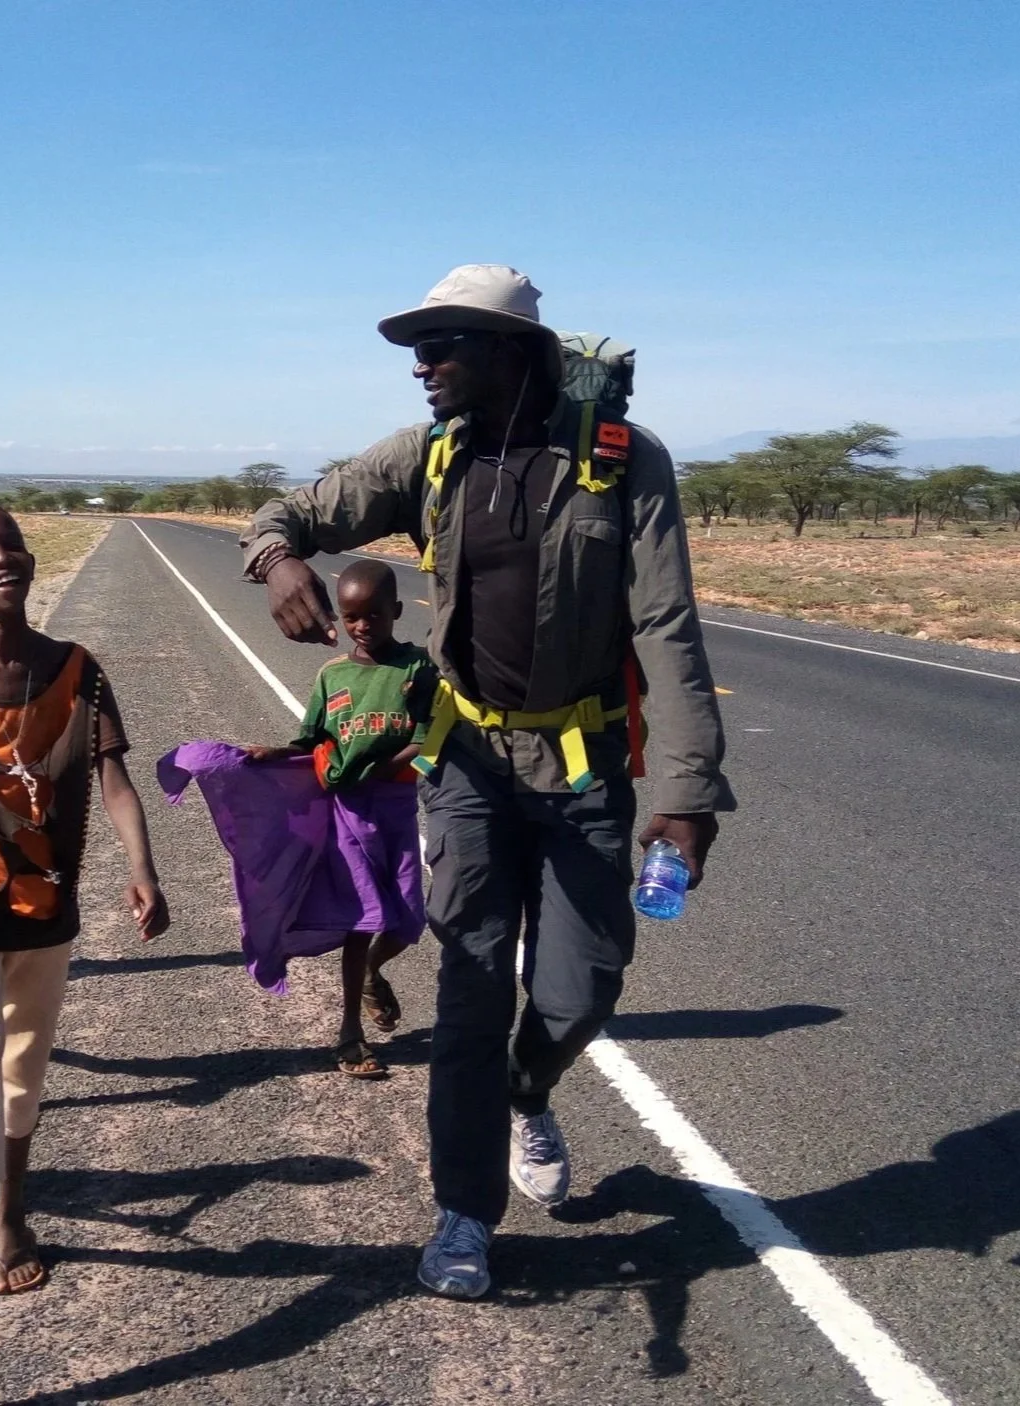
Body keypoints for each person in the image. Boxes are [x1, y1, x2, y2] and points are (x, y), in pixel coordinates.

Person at [240, 264, 735, 1300]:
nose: (423, 366)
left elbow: (667, 626)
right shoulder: (430, 455)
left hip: (584, 767)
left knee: (582, 985)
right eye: (417, 348)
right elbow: (298, 508)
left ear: (511, 352)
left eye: (444, 345)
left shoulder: (620, 462)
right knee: (468, 985)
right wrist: (280, 557)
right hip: (465, 760)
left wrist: (684, 791)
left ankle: (528, 1087)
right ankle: (464, 1211)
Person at [0, 505, 169, 1406]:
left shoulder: (78, 674)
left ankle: (13, 1211)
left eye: (9, 543)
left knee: (23, 1075)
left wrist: (141, 867)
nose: (0, 557)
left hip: (47, 908)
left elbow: (114, 778)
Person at [242, 558, 434, 1079]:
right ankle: (350, 1031)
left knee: (409, 921)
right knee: (361, 920)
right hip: (348, 815)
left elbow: (426, 741)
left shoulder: (417, 669)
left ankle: (374, 970)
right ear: (341, 617)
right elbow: (311, 743)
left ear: (396, 610)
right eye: (352, 617)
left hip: (394, 812)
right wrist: (273, 755)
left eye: (374, 615)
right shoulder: (334, 676)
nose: (363, 626)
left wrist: (374, 768)